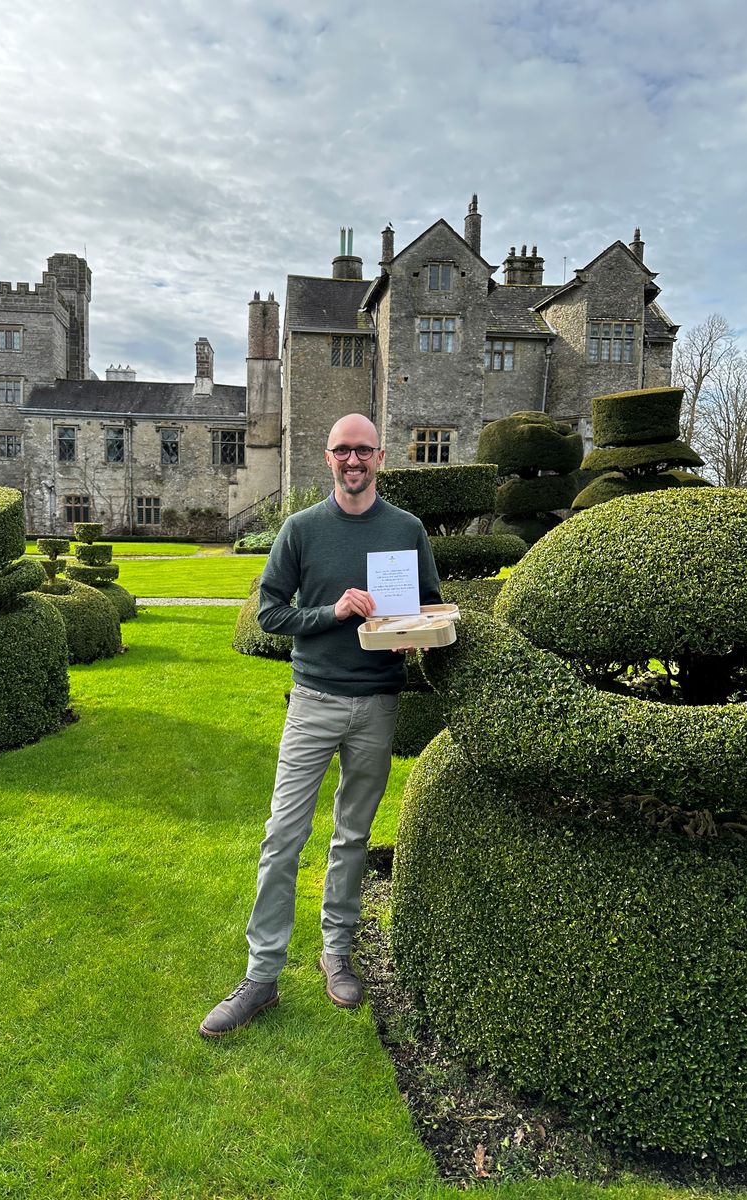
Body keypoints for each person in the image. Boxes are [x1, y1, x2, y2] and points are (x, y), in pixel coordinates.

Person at [199, 413, 441, 1037]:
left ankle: (337, 951)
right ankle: (261, 976)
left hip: (378, 703)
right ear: (327, 458)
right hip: (314, 701)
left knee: (352, 836)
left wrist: (408, 637)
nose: (353, 460)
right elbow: (271, 614)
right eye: (342, 451)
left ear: (381, 457)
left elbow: (428, 607)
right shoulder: (301, 529)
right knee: (283, 835)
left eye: (363, 450)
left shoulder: (407, 529)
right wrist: (333, 612)